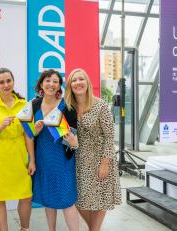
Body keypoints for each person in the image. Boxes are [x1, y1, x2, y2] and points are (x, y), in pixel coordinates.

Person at [65, 68, 122, 231]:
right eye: (74, 80)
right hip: (79, 160)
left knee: (100, 199)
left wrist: (105, 163)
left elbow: (109, 136)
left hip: (100, 159)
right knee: (79, 200)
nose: (78, 83)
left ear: (87, 82)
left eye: (81, 79)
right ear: (70, 85)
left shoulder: (101, 105)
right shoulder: (68, 107)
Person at [0, 68, 36, 231]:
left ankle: (25, 228)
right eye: (2, 82)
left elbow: (28, 135)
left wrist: (32, 159)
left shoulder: (25, 105)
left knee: (26, 195)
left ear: (13, 81)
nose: (6, 85)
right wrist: (0, 127)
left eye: (8, 81)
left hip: (19, 155)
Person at [31, 69, 79, 231]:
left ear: (60, 86)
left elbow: (75, 136)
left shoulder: (68, 105)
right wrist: (35, 131)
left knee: (67, 200)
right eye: (47, 80)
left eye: (55, 81)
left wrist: (74, 142)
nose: (51, 84)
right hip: (43, 157)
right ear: (41, 84)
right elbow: (29, 134)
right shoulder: (34, 104)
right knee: (48, 197)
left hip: (62, 158)